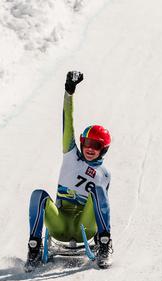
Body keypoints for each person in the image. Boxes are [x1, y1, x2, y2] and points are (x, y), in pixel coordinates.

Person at [25, 71, 113, 270]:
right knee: (38, 195)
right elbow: (68, 123)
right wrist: (68, 93)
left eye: (96, 145)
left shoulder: (105, 175)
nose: (90, 148)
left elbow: (103, 208)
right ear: (81, 143)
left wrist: (100, 232)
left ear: (103, 149)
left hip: (85, 225)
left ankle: (105, 244)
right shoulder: (71, 154)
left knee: (99, 192)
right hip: (60, 224)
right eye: (88, 143)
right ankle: (34, 248)